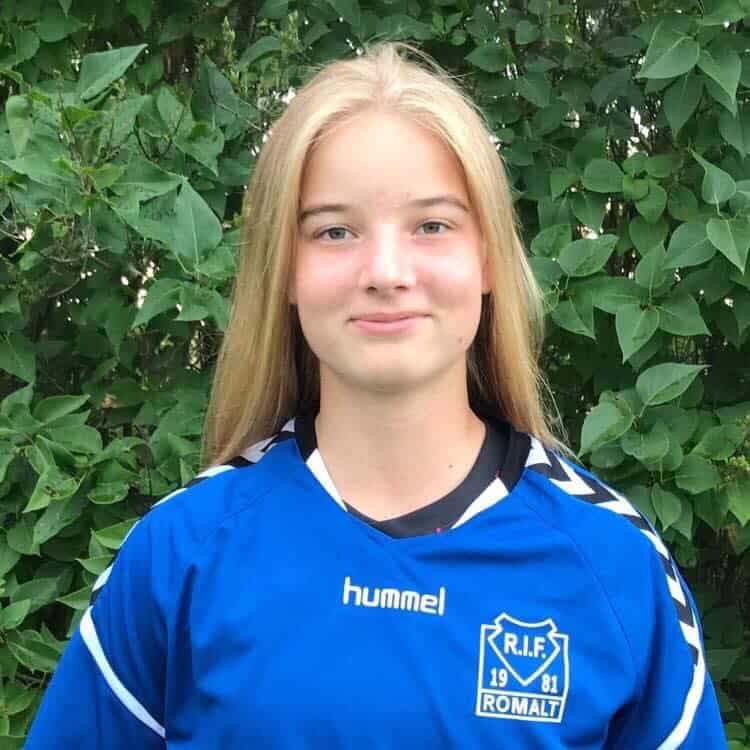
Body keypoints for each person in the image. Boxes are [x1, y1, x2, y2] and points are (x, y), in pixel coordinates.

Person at [25, 41, 725, 748]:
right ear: (285, 270)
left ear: (487, 257)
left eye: (432, 225)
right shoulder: (182, 553)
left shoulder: (614, 564)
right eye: (335, 231)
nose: (386, 271)